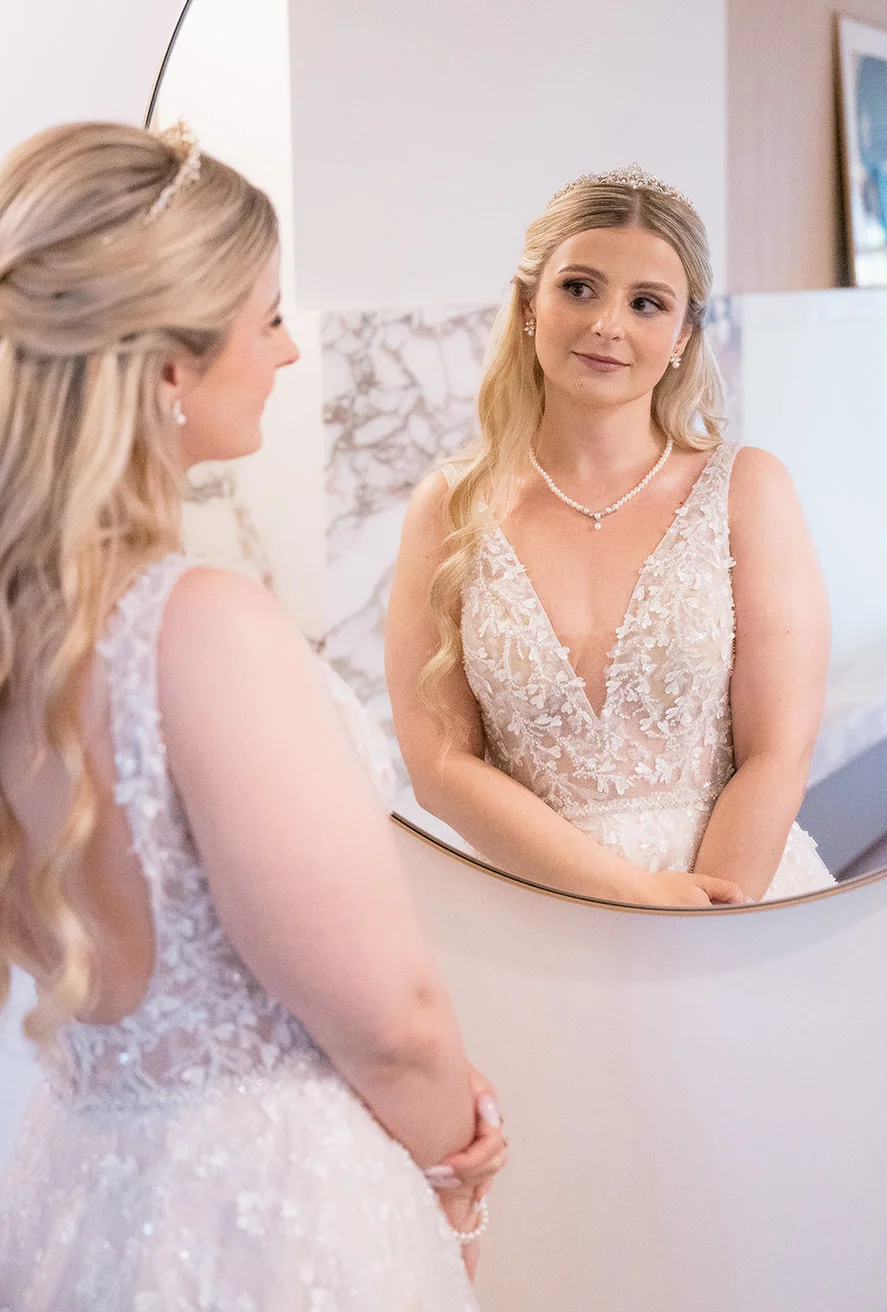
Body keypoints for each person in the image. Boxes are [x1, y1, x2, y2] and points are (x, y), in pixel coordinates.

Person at [0, 122, 505, 1309]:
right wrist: (451, 1174)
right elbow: (392, 1019)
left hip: (83, 1194)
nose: (286, 350)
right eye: (266, 315)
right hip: (269, 1224)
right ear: (170, 369)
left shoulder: (25, 639)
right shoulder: (198, 622)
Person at [387, 164, 835, 908]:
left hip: (731, 898)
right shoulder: (448, 506)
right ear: (529, 304)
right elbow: (440, 763)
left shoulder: (746, 490)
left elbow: (776, 752)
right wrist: (627, 897)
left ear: (683, 333)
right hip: (533, 909)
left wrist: (706, 919)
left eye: (646, 303)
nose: (607, 325)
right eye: (579, 288)